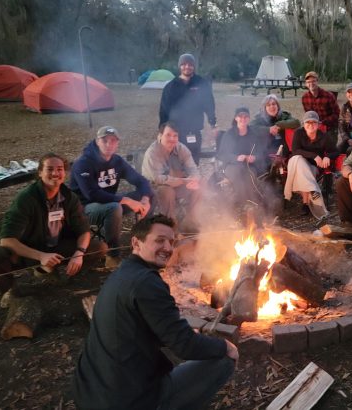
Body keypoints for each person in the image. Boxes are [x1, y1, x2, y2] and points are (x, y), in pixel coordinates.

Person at [72, 215, 237, 409]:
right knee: (225, 360)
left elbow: (149, 328)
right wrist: (225, 346)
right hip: (129, 401)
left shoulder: (123, 273)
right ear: (136, 242)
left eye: (171, 242)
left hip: (91, 393)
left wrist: (181, 334)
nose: (168, 248)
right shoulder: (146, 283)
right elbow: (184, 346)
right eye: (159, 240)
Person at [0, 153, 105, 300]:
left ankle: (63, 278)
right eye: (50, 169)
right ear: (40, 172)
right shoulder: (27, 198)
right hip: (30, 250)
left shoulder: (69, 197)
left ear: (64, 173)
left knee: (98, 247)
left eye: (60, 169)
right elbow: (6, 240)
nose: (55, 173)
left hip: (57, 248)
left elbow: (84, 231)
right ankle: (10, 295)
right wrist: (41, 256)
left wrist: (79, 253)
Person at [70, 126, 153, 268]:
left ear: (117, 143)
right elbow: (92, 194)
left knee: (149, 195)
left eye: (113, 141)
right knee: (114, 208)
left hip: (109, 203)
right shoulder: (83, 163)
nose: (109, 144)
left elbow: (141, 181)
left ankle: (143, 240)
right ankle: (113, 255)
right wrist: (125, 200)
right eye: (105, 140)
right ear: (97, 141)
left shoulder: (117, 161)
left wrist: (145, 199)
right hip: (83, 209)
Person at [141, 122, 201, 231]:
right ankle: (170, 225)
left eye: (175, 136)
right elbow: (158, 179)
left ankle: (190, 221)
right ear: (160, 136)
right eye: (168, 135)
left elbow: (193, 168)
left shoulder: (181, 148)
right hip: (154, 188)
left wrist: (194, 179)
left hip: (177, 184)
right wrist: (184, 181)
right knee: (167, 191)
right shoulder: (153, 153)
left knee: (201, 186)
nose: (172, 139)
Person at [159, 53, 217, 164]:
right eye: (184, 64)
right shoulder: (171, 86)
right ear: (180, 66)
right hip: (176, 132)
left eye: (190, 64)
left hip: (194, 131)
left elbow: (209, 105)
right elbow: (164, 110)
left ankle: (193, 180)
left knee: (193, 163)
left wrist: (213, 123)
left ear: (194, 66)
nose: (187, 67)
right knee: (176, 163)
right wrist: (162, 130)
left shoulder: (201, 83)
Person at [284, 111, 339, 220]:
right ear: (304, 124)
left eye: (314, 122)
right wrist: (314, 156)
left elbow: (335, 151)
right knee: (298, 159)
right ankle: (313, 190)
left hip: (313, 168)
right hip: (295, 163)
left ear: (318, 124)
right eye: (307, 122)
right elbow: (295, 151)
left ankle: (305, 204)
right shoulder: (299, 133)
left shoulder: (324, 136)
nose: (310, 125)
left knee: (304, 171)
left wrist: (327, 156)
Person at [217, 107, 272, 212]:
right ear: (236, 118)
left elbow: (262, 153)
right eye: (240, 116)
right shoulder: (229, 135)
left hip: (250, 165)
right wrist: (236, 158)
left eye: (246, 116)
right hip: (231, 165)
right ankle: (248, 203)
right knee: (237, 172)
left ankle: (250, 204)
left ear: (249, 118)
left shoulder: (253, 134)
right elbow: (222, 154)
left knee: (249, 174)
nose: (243, 118)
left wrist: (254, 157)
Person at [301, 71, 340, 145]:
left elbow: (337, 114)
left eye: (313, 81)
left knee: (330, 152)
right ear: (306, 84)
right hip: (314, 129)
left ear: (317, 82)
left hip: (329, 128)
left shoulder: (328, 96)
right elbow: (308, 115)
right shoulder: (304, 98)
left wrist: (323, 122)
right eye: (308, 82)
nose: (311, 84)